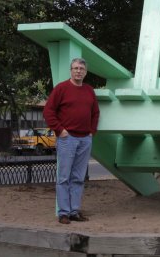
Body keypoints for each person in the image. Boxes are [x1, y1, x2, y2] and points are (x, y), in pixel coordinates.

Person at [43, 57, 100, 224]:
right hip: (67, 139)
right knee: (63, 177)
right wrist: (59, 130)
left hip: (85, 139)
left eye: (81, 68)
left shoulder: (89, 90)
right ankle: (63, 213)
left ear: (85, 72)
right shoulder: (61, 88)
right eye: (75, 68)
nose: (78, 71)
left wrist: (92, 131)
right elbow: (48, 111)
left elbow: (95, 112)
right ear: (71, 70)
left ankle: (75, 211)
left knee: (78, 177)